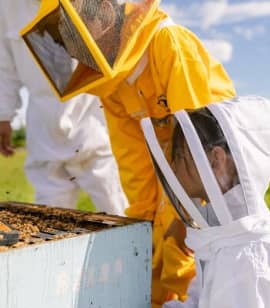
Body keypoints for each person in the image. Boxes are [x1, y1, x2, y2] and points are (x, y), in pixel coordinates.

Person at [20, 1, 236, 306]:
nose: (73, 50)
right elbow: (136, 167)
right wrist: (140, 231)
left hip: (219, 177)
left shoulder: (169, 44)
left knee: (202, 266)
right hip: (173, 177)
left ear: (102, 17)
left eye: (75, 35)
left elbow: (202, 149)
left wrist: (181, 229)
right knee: (151, 256)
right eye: (67, 40)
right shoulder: (114, 87)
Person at [141, 96, 270, 308]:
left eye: (180, 156)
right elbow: (200, 302)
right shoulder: (225, 238)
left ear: (215, 160)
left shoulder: (247, 261)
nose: (173, 169)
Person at [0, 0, 127, 215]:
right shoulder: (6, 6)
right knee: (51, 218)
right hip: (44, 126)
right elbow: (4, 64)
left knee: (118, 208)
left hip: (93, 118)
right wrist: (3, 115)